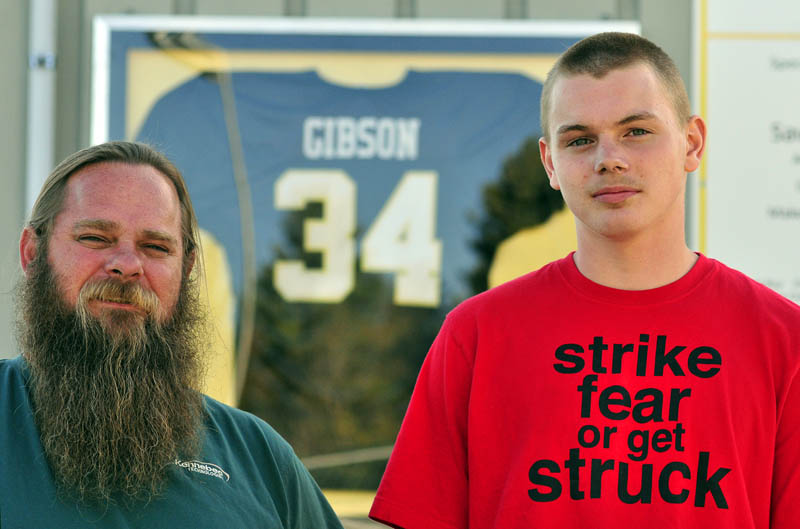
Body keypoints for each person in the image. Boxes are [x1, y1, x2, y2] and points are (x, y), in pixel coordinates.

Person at [369, 32, 800, 529]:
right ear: (551, 163)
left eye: (636, 131)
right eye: (579, 139)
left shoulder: (780, 340)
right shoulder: (477, 335)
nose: (608, 159)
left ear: (692, 142)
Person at [0, 141, 344, 528]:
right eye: (95, 238)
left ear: (187, 268)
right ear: (32, 253)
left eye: (156, 246)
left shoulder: (260, 459)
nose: (127, 265)